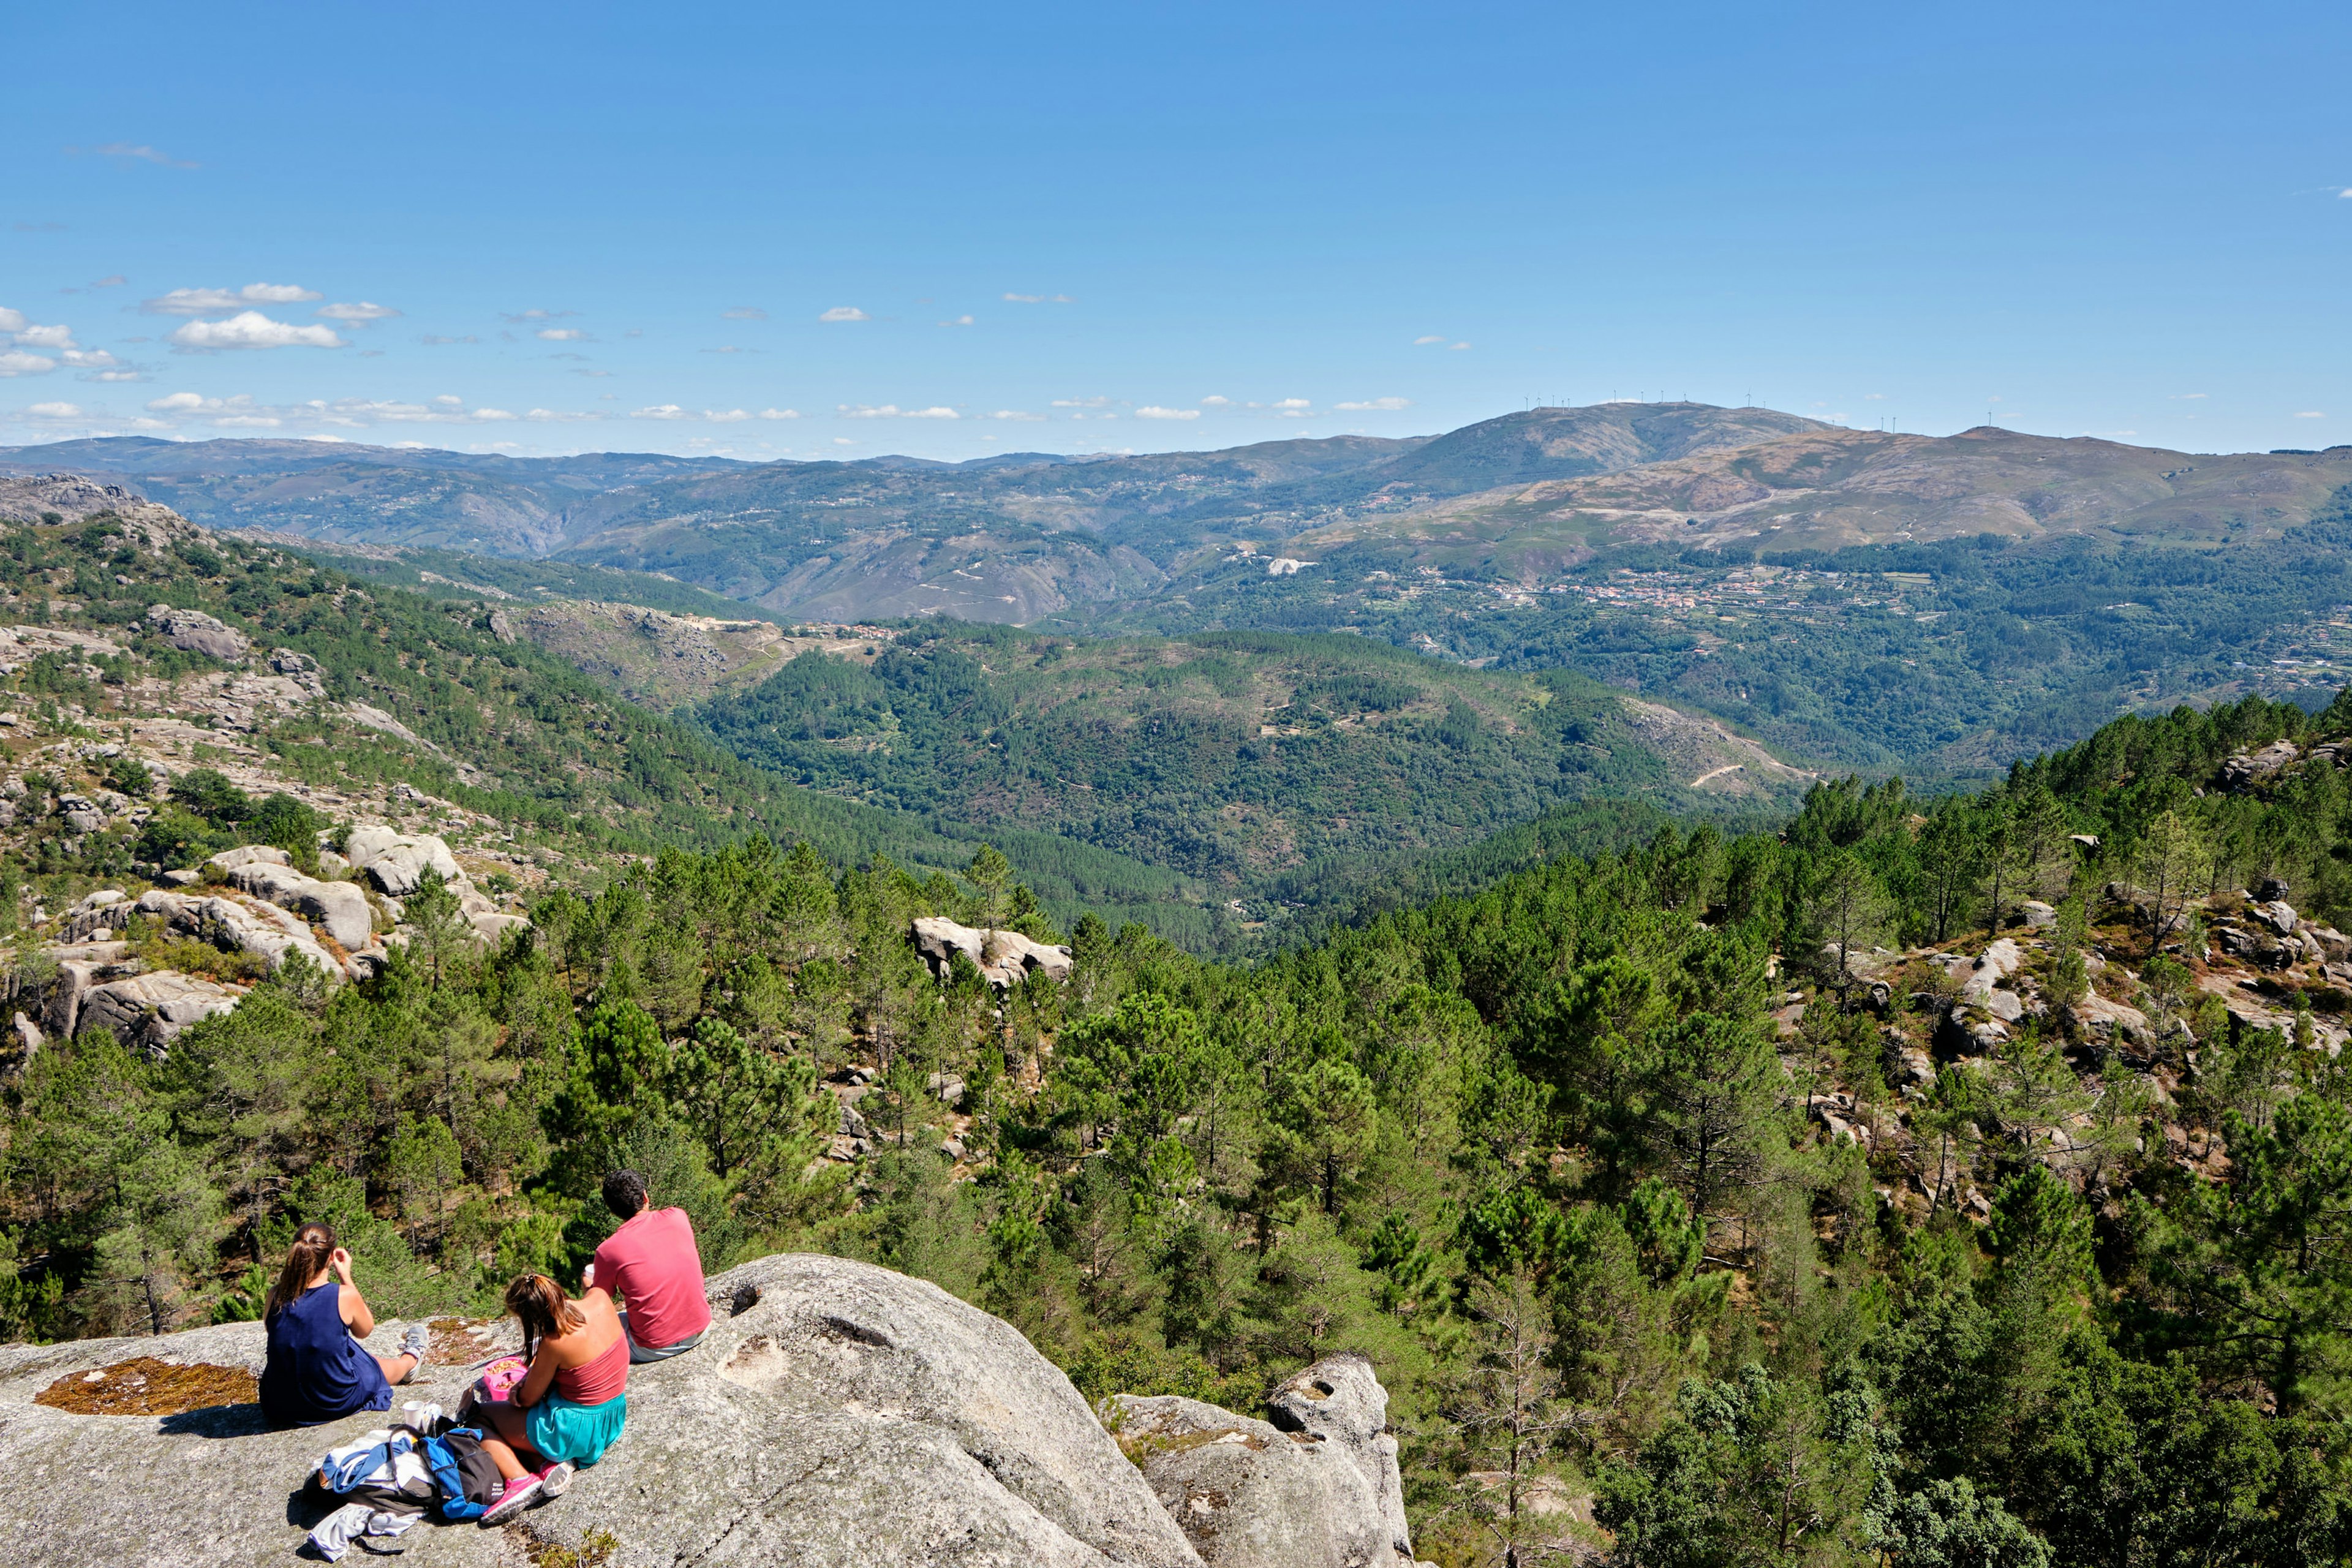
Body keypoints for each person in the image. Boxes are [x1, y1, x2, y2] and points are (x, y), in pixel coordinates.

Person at [474, 1274, 628, 1523]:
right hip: (611, 1418)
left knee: (479, 1417)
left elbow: (528, 1400)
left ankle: (521, 1479)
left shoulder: (555, 1341)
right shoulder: (601, 1299)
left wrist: (517, 1390)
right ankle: (547, 1464)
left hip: (575, 1431)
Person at [258, 1222, 430, 1429]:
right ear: (331, 1257)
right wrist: (345, 1277)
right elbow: (365, 1330)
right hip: (332, 1402)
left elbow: (277, 1331)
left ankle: (402, 1362)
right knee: (370, 1367)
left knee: (343, 1349)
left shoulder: (275, 1294)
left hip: (279, 1406)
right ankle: (410, 1361)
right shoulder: (342, 1295)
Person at [587, 1169, 710, 1363]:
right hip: (701, 1330)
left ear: (612, 1211)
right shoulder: (678, 1216)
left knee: (592, 1331)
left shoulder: (608, 1251)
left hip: (652, 1349)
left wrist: (587, 1285)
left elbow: (597, 1305)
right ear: (645, 1196)